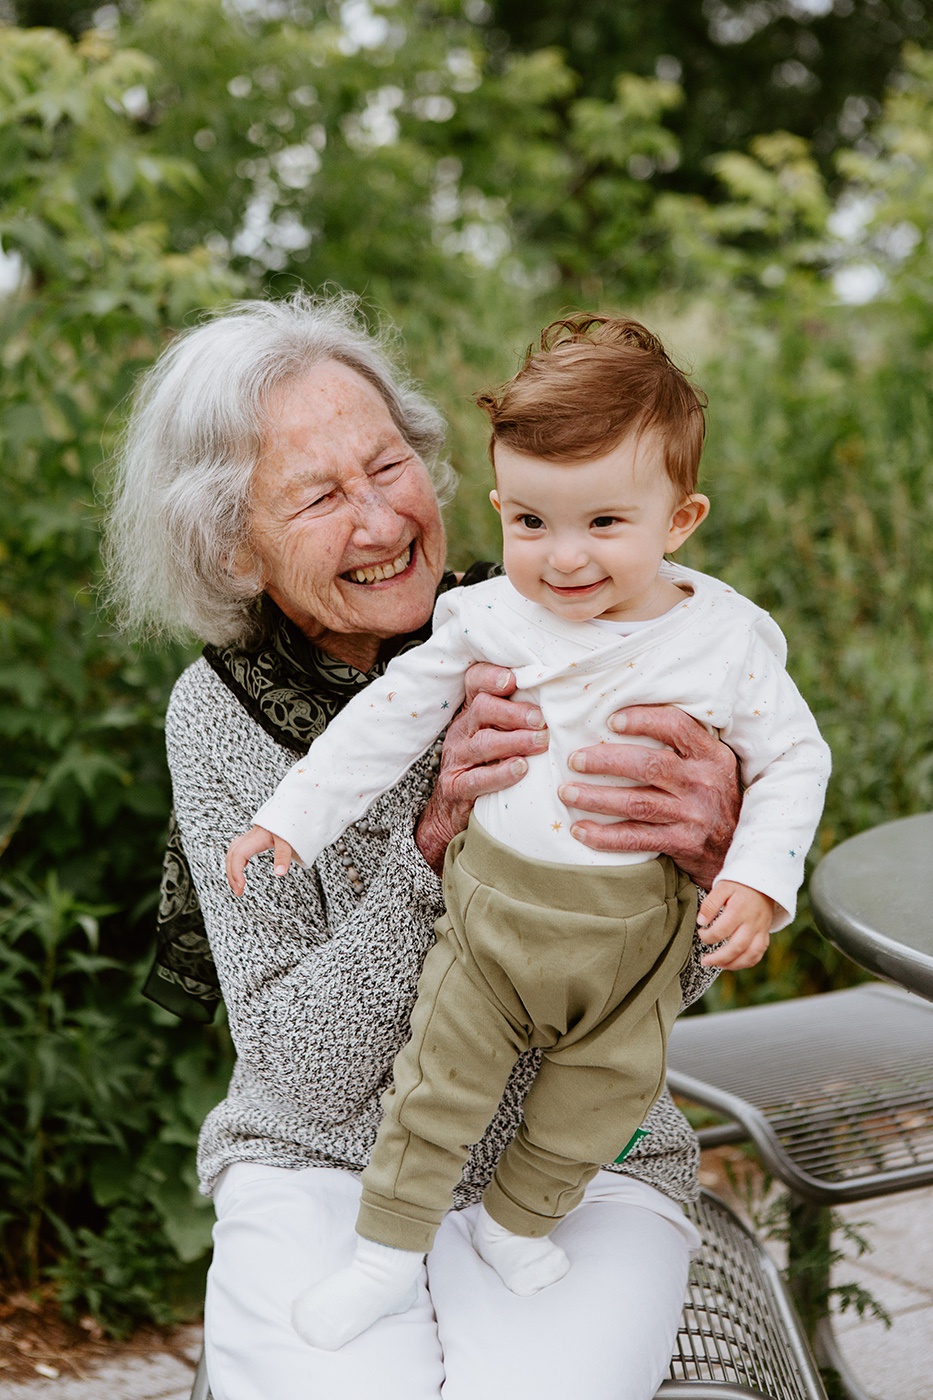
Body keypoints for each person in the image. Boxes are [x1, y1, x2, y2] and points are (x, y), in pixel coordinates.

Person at [106, 291, 749, 1400]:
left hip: (576, 1163)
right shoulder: (217, 720)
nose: (380, 519)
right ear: (232, 548)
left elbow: (657, 984)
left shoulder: (571, 618)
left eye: (388, 464)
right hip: (320, 1163)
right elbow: (299, 1076)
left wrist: (708, 869)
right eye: (318, 495)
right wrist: (430, 842)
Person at [227, 313, 831, 1353]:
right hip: (492, 928)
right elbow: (386, 721)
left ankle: (516, 1222)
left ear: (681, 519)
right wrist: (293, 816)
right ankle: (382, 1257)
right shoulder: (489, 619)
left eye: (605, 522)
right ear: (502, 506)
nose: (564, 558)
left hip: (630, 948)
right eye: (533, 523)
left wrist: (754, 872)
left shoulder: (723, 641)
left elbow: (796, 758)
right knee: (438, 1080)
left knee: (601, 1100)